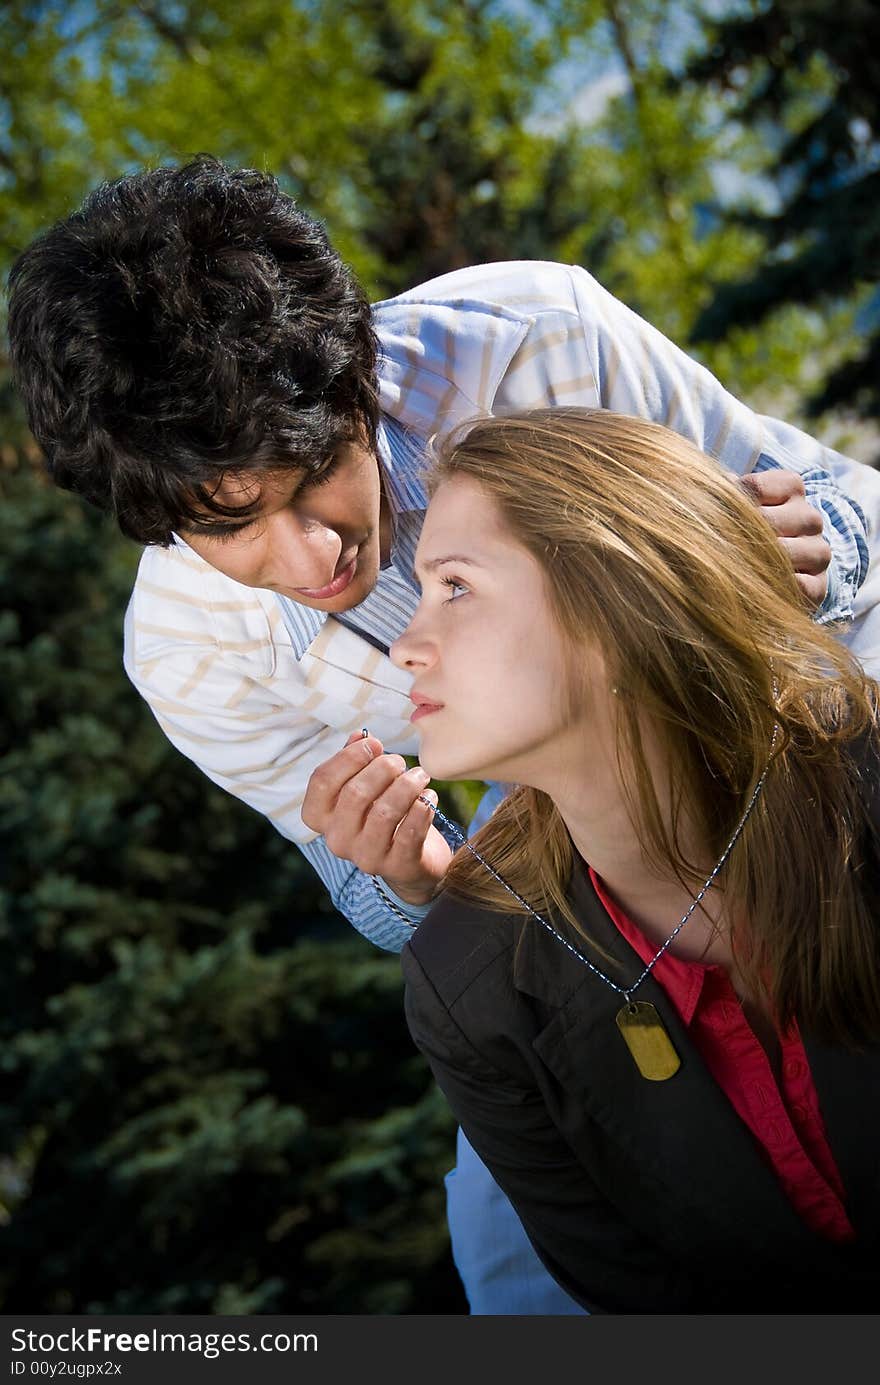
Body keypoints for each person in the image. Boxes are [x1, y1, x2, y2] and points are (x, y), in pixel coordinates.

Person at [6, 155, 880, 1314]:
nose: (316, 557)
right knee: (513, 1256)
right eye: (233, 527)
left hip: (803, 757)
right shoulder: (184, 654)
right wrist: (413, 879)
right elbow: (374, 895)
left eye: (318, 472)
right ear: (158, 519)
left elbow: (836, 504)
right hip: (582, 898)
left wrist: (824, 536)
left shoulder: (534, 338)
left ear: (359, 366)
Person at [396, 406, 880, 1313]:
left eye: (455, 586)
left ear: (620, 593)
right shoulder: (469, 987)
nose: (406, 645)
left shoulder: (869, 787)